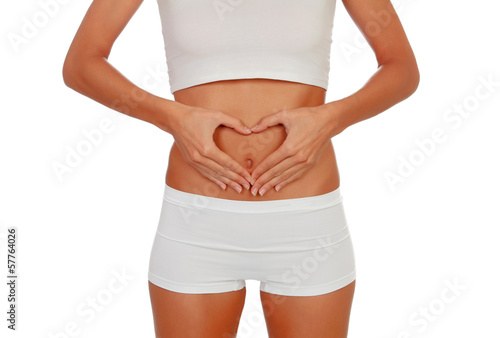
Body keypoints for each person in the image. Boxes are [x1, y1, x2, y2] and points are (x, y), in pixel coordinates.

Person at [62, 0, 419, 337]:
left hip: (307, 224)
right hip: (196, 226)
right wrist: (173, 118)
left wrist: (331, 119)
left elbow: (401, 67)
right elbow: (81, 64)